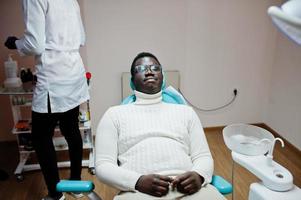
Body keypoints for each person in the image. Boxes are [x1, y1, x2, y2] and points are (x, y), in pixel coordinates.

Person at [95, 52, 225, 200]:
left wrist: (199, 175)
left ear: (163, 77)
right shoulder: (113, 115)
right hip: (138, 193)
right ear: (132, 81)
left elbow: (203, 156)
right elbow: (103, 165)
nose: (149, 71)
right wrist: (137, 181)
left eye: (155, 68)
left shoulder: (186, 112)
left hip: (190, 191)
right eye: (141, 69)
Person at [4, 0, 89, 199]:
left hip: (54, 76)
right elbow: (81, 38)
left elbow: (34, 44)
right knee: (71, 129)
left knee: (41, 138)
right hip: (74, 72)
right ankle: (76, 185)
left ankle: (55, 194)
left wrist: (15, 43)